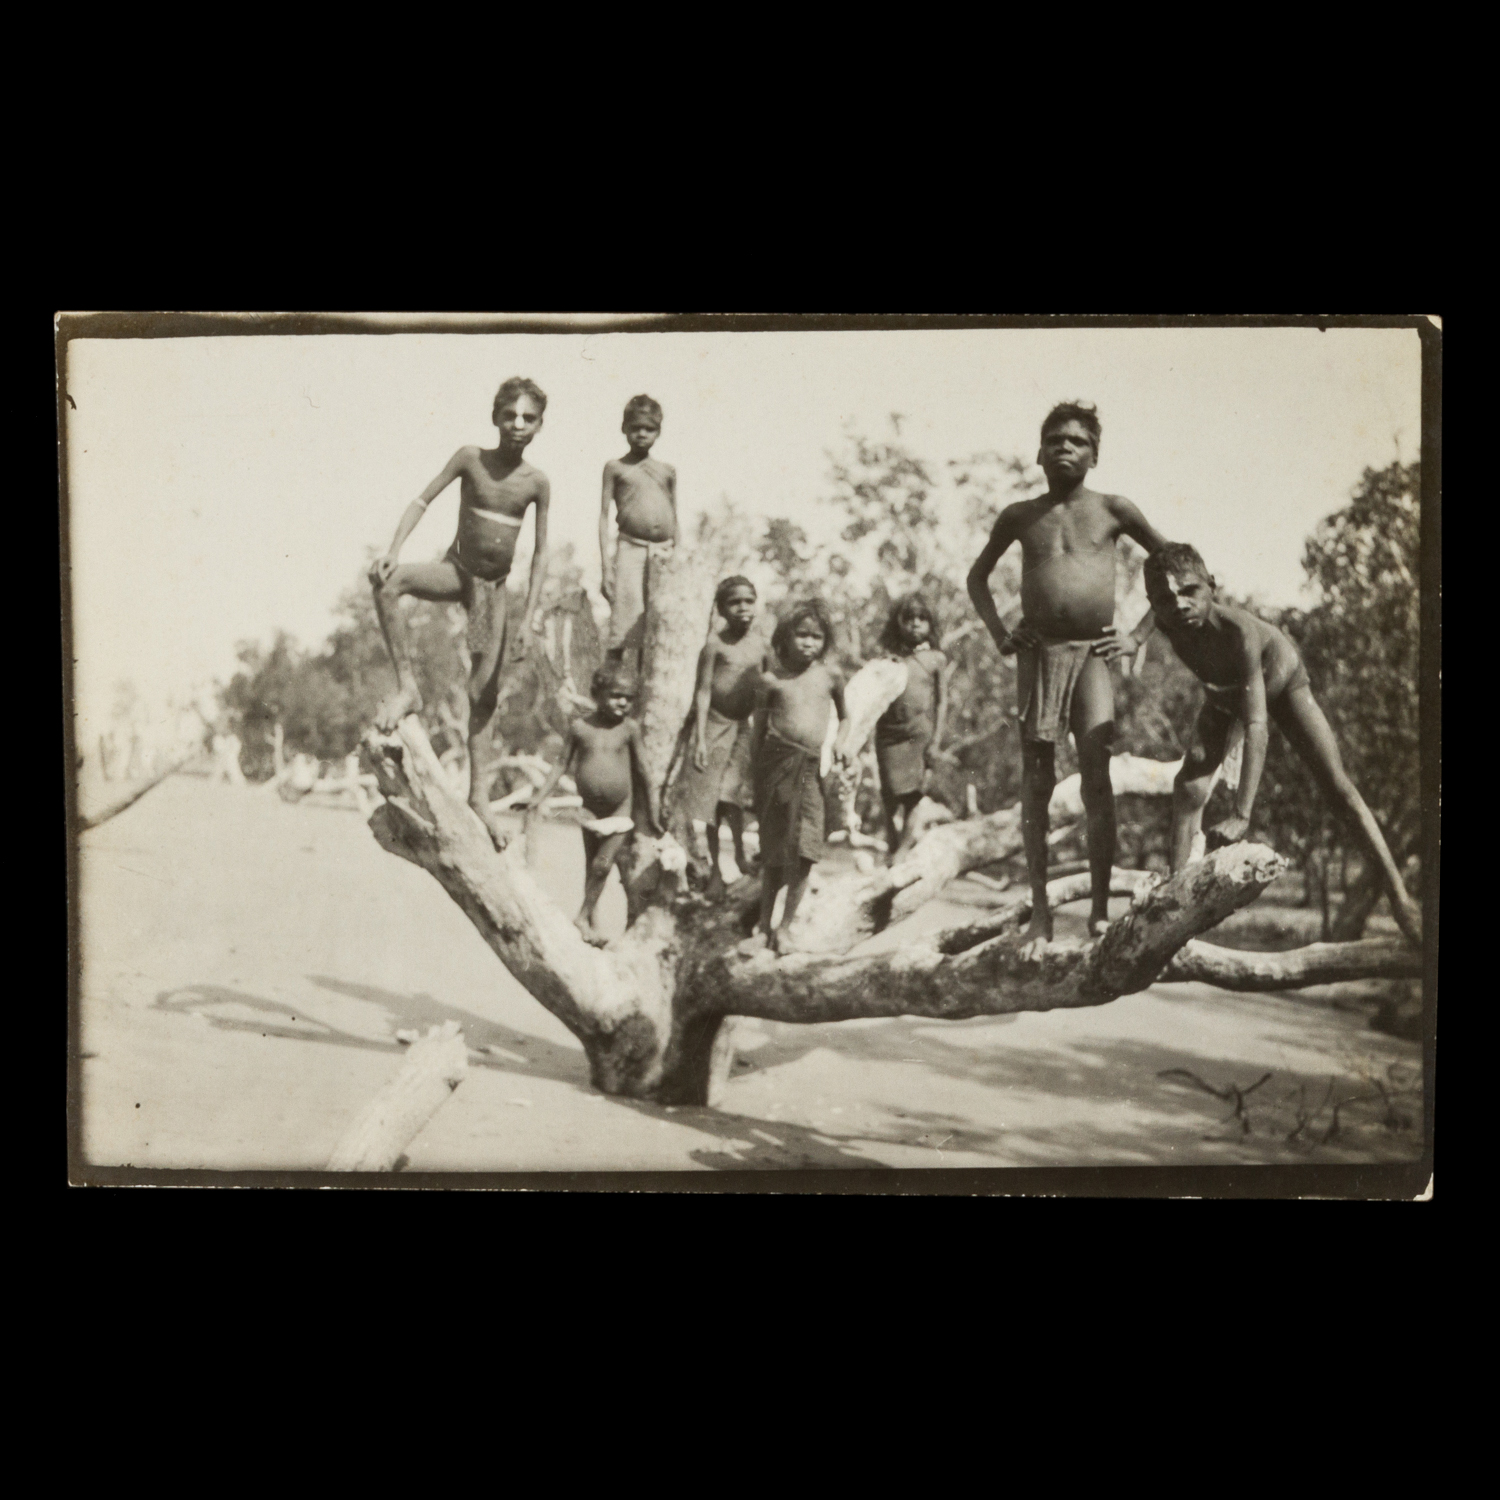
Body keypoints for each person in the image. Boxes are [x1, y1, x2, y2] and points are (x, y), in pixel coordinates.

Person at [1131, 542, 1422, 947]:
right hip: (1223, 694)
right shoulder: (1168, 617)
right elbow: (1161, 604)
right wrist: (1133, 638)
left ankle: (1400, 898)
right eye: (1165, 600)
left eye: (1190, 591)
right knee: (1189, 784)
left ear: (1212, 586)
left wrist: (1241, 815)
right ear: (1154, 604)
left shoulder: (1238, 633)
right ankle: (1174, 908)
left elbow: (1256, 723)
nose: (1179, 605)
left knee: (1338, 788)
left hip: (1279, 686)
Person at [966, 400, 1169, 945]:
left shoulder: (1113, 509)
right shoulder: (1019, 515)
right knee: (1037, 783)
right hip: (1038, 656)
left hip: (1094, 657)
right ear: (1038, 452)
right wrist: (1000, 635)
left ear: (1094, 455)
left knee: (1096, 779)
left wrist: (1138, 634)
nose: (1064, 448)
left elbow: (1177, 566)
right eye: (1054, 439)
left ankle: (1100, 909)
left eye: (1077, 441)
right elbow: (977, 578)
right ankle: (1039, 909)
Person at [368, 377, 551, 850]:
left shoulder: (536, 483)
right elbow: (422, 499)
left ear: (540, 426)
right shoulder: (470, 457)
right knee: (387, 582)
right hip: (456, 572)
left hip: (490, 595)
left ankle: (479, 799)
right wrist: (394, 549)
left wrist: (528, 620)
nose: (517, 424)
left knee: (482, 693)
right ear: (495, 417)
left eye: (528, 418)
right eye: (509, 415)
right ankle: (408, 687)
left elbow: (541, 555)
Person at [524, 663, 662, 947]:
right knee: (591, 867)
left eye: (628, 698)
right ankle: (592, 924)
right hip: (588, 810)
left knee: (602, 865)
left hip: (620, 810)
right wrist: (538, 798)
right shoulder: (580, 728)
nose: (622, 702)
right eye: (615, 695)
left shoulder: (629, 729)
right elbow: (560, 765)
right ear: (598, 694)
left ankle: (581, 916)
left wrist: (654, 812)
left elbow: (645, 772)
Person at [750, 599, 851, 954]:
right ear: (786, 637)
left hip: (810, 769)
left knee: (806, 849)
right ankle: (763, 926)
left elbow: (845, 717)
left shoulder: (831, 676)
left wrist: (841, 742)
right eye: (802, 635)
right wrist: (754, 784)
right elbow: (757, 733)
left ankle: (786, 927)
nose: (809, 642)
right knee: (775, 852)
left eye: (817, 637)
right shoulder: (770, 680)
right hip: (775, 766)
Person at [674, 576, 765, 895]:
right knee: (712, 801)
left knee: (731, 794)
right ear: (721, 608)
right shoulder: (714, 644)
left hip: (742, 726)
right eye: (735, 602)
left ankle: (740, 854)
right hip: (714, 723)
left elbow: (768, 687)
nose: (743, 608)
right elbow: (702, 692)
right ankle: (715, 871)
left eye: (749, 601)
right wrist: (699, 737)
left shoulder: (760, 644)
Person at [600, 395, 677, 663]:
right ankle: (609, 692)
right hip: (630, 549)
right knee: (624, 625)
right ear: (624, 429)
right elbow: (603, 516)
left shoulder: (667, 471)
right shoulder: (616, 468)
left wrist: (678, 558)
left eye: (649, 428)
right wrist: (606, 567)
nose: (642, 434)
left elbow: (674, 517)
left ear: (658, 431)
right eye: (635, 428)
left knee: (657, 625)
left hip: (664, 552)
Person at [874, 595, 948, 863]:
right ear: (899, 623)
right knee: (889, 795)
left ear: (930, 623)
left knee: (914, 796)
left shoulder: (936, 659)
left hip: (919, 734)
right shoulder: (890, 658)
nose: (915, 624)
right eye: (909, 619)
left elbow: (941, 702)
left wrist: (936, 741)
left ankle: (903, 849)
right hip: (888, 733)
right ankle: (892, 843)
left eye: (922, 618)